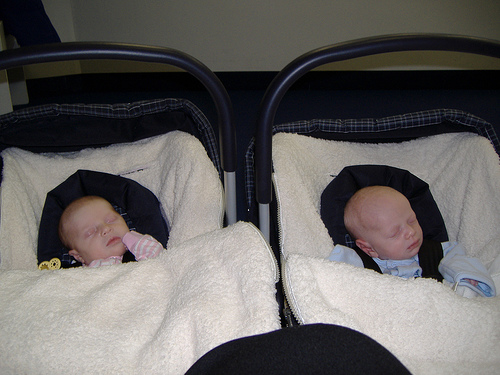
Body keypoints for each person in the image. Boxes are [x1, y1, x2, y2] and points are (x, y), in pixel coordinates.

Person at [328, 185, 496, 297]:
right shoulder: (356, 262)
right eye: (395, 233)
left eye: (411, 221)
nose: (410, 232)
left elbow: (462, 263)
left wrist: (469, 279)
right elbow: (331, 279)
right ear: (369, 248)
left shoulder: (440, 252)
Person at [58, 195, 164, 268]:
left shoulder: (140, 254)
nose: (106, 229)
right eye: (91, 232)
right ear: (79, 256)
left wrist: (130, 237)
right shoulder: (76, 276)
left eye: (111, 220)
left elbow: (159, 258)